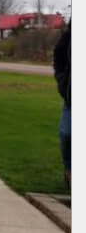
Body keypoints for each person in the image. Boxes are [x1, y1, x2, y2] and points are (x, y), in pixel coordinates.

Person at [53, 20, 71, 188]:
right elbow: (58, 59)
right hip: (71, 99)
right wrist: (62, 81)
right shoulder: (68, 39)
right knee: (66, 134)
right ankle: (68, 170)